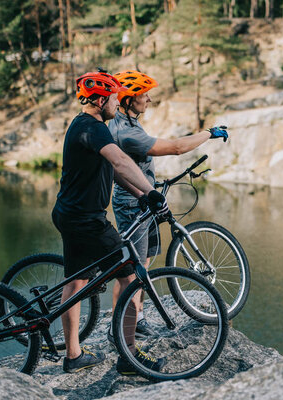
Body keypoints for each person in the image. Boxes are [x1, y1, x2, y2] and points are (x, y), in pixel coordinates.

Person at [52, 69, 168, 375]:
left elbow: (113, 170)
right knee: (130, 277)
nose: (117, 103)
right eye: (114, 97)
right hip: (88, 220)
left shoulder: (84, 125)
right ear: (102, 98)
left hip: (70, 214)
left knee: (76, 281)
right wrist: (152, 190)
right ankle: (129, 357)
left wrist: (141, 194)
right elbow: (120, 161)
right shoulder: (94, 128)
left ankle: (73, 355)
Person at [106, 69, 228, 341]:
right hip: (132, 203)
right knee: (130, 270)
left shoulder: (126, 122)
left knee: (143, 262)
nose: (148, 100)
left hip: (141, 198)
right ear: (128, 100)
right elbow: (175, 147)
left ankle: (134, 318)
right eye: (143, 95)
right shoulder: (126, 131)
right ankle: (119, 330)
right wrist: (208, 133)